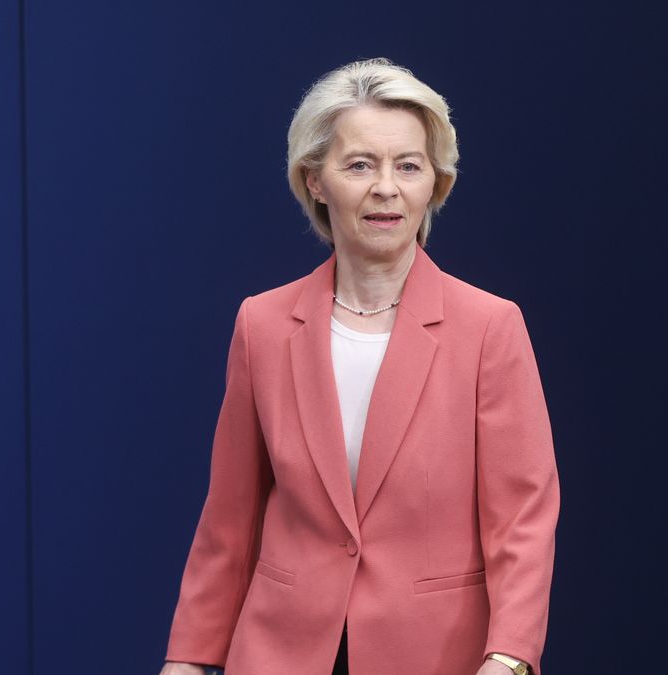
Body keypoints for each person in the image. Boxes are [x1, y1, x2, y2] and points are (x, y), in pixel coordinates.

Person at [159, 58, 560, 675]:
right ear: (315, 180)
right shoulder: (262, 325)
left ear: (435, 184)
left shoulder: (489, 326)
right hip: (280, 651)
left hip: (439, 655)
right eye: (359, 165)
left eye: (408, 165)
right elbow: (229, 517)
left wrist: (508, 657)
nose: (386, 187)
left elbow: (523, 520)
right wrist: (188, 658)